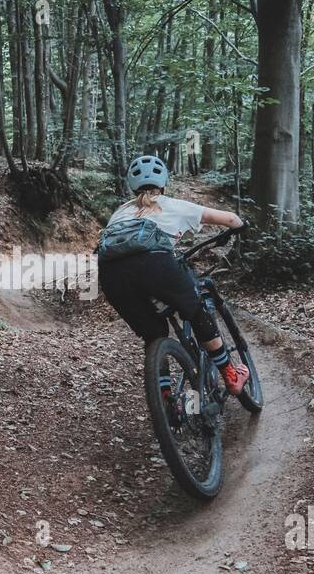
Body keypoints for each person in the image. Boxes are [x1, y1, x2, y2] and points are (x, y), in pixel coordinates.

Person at [97, 154, 250, 395]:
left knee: (154, 333)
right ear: (164, 184)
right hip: (155, 263)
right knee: (196, 311)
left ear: (132, 186)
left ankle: (166, 399)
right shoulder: (173, 204)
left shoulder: (120, 211)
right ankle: (231, 377)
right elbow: (230, 219)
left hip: (110, 273)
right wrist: (241, 226)